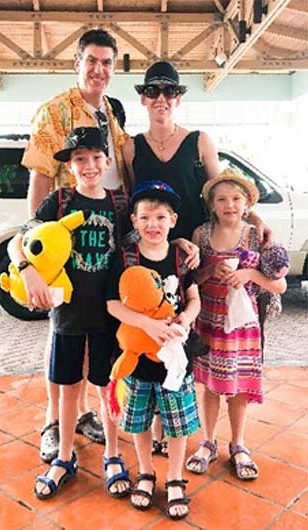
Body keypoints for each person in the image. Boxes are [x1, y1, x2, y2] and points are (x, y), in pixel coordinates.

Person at [122, 60, 273, 454]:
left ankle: (188, 428)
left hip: (196, 254)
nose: (160, 99)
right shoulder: (130, 146)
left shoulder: (200, 141)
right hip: (154, 249)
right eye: (152, 91)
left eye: (168, 91)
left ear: (178, 98)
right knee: (152, 334)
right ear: (142, 97)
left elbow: (221, 190)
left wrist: (254, 215)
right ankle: (156, 434)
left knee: (188, 335)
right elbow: (129, 204)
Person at [22, 28, 130, 460]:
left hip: (106, 239)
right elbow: (40, 181)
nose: (99, 70)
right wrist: (38, 250)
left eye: (107, 62)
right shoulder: (53, 112)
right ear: (77, 63)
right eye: (92, 61)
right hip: (66, 246)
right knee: (63, 334)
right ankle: (54, 419)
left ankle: (83, 413)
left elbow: (121, 168)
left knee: (95, 336)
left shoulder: (110, 113)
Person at [9, 127, 131, 499]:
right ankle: (64, 456)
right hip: (68, 317)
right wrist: (27, 270)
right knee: (67, 389)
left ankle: (112, 453)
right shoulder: (58, 203)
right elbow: (20, 240)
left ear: (107, 162)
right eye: (80, 159)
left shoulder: (120, 204)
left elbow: (144, 240)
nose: (89, 165)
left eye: (96, 158)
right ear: (70, 166)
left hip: (108, 315)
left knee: (106, 387)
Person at [107, 180, 201, 520]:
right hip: (138, 364)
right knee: (139, 421)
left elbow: (193, 298)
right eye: (145, 217)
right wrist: (147, 325)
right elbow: (113, 304)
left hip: (174, 364)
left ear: (173, 220)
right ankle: (146, 472)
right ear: (134, 220)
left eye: (160, 217)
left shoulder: (180, 257)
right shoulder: (125, 257)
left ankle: (175, 477)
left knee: (177, 425)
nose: (153, 225)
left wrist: (187, 319)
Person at [185, 168, 286, 480]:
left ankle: (238, 444)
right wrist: (208, 272)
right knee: (211, 386)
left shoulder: (257, 236)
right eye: (222, 199)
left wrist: (248, 275)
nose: (229, 204)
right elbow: (192, 279)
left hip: (241, 324)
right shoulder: (200, 234)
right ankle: (208, 441)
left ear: (247, 203)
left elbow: (279, 285)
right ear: (212, 204)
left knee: (239, 386)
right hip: (208, 319)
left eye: (236, 198)